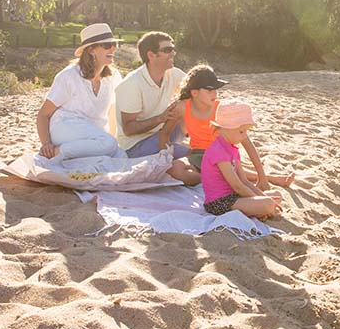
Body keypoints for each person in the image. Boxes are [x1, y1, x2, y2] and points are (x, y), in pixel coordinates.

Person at [163, 65, 294, 189]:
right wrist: (163, 156)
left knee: (227, 168)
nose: (214, 94)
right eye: (209, 90)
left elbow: (246, 142)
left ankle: (269, 177)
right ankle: (217, 178)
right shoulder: (181, 107)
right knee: (175, 169)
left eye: (215, 89)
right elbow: (165, 133)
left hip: (222, 155)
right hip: (197, 155)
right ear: (194, 92)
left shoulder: (222, 109)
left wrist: (262, 177)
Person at [114, 31, 200, 184]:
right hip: (135, 146)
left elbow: (196, 89)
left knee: (190, 103)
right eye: (167, 50)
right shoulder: (132, 84)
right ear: (151, 55)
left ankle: (203, 149)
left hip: (162, 134)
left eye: (173, 49)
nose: (173, 53)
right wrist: (161, 118)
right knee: (199, 156)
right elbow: (128, 129)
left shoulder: (172, 74)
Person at [36, 23, 125, 161]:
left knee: (120, 155)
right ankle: (57, 152)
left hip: (95, 136)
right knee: (108, 144)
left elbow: (112, 112)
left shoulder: (114, 76)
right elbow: (43, 115)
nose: (113, 48)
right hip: (65, 126)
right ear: (91, 50)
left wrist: (111, 142)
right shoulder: (68, 76)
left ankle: (76, 154)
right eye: (107, 45)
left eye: (114, 44)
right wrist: (46, 144)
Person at [201, 101, 287, 220]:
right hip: (219, 203)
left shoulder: (233, 149)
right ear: (226, 128)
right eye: (241, 131)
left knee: (276, 195)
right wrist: (260, 200)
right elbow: (237, 186)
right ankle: (260, 211)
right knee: (267, 204)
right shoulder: (218, 151)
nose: (244, 136)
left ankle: (259, 210)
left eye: (246, 131)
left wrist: (261, 197)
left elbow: (244, 181)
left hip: (234, 196)